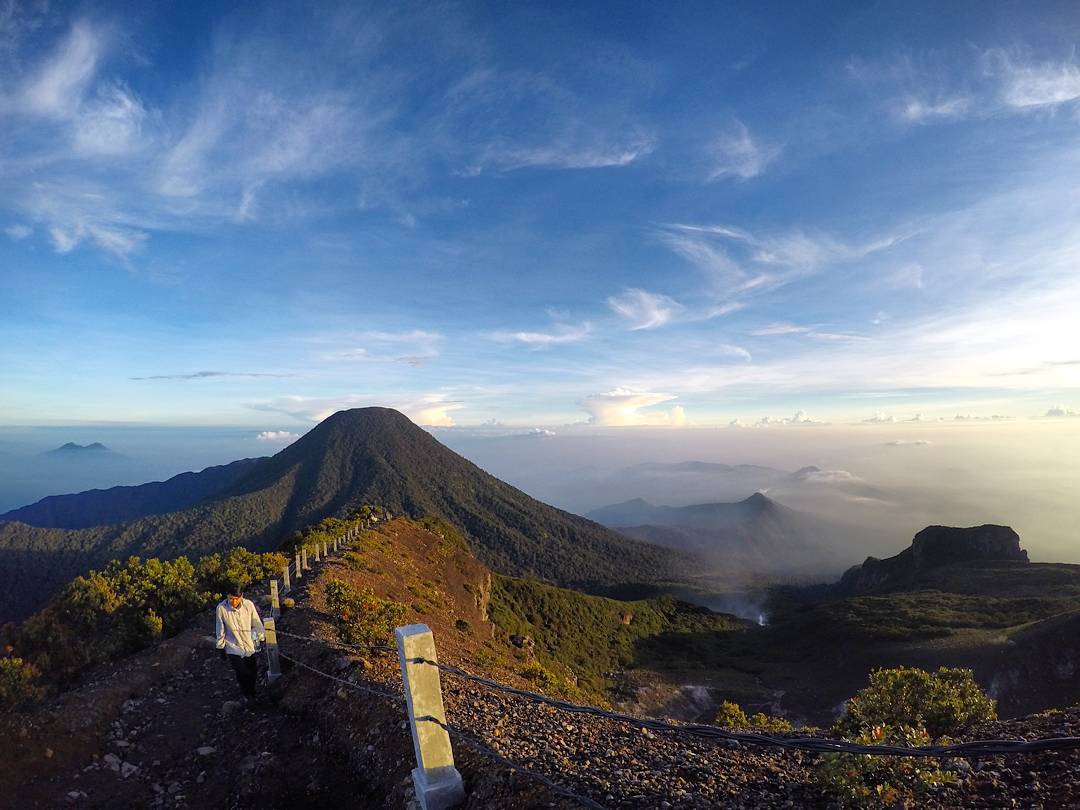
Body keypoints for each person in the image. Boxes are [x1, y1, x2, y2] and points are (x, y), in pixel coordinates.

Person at [215, 582, 266, 700]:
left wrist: (261, 637)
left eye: (236, 599)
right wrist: (220, 647)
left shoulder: (249, 605)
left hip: (249, 645)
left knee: (253, 671)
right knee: (242, 672)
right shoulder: (221, 608)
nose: (233, 602)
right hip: (233, 646)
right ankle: (246, 694)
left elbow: (256, 623)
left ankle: (251, 692)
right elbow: (220, 628)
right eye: (230, 599)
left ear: (241, 596)